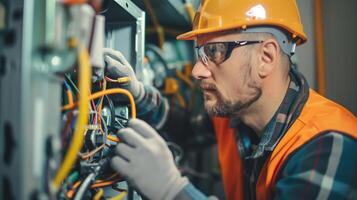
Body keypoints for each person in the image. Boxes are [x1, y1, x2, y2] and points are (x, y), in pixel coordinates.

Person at [106, 0, 357, 199]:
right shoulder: (237, 112)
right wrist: (137, 94)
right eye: (200, 52)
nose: (197, 71)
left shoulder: (329, 146)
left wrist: (173, 191)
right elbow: (184, 127)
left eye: (214, 51)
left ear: (266, 57)